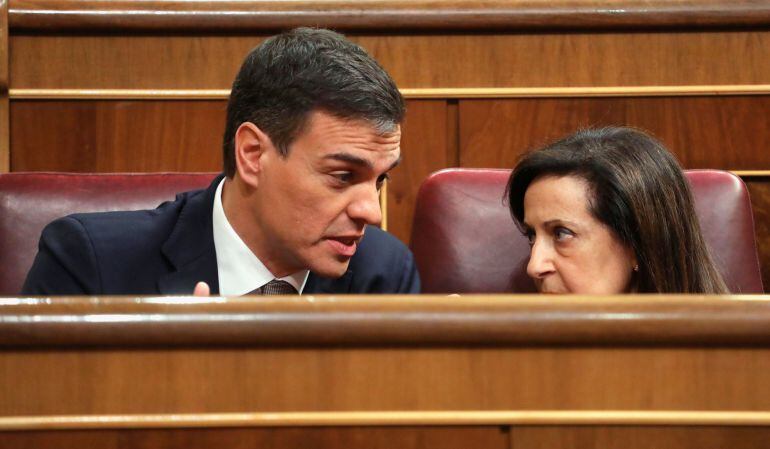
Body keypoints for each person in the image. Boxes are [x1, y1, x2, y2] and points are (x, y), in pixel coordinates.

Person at [22, 27, 420, 296]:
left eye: (380, 180)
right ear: (252, 155)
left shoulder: (383, 274)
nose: (372, 212)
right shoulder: (93, 267)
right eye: (342, 175)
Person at [505, 127, 727, 294]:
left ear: (638, 245)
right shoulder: (516, 354)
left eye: (561, 233)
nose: (534, 266)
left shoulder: (736, 352)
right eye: (532, 236)